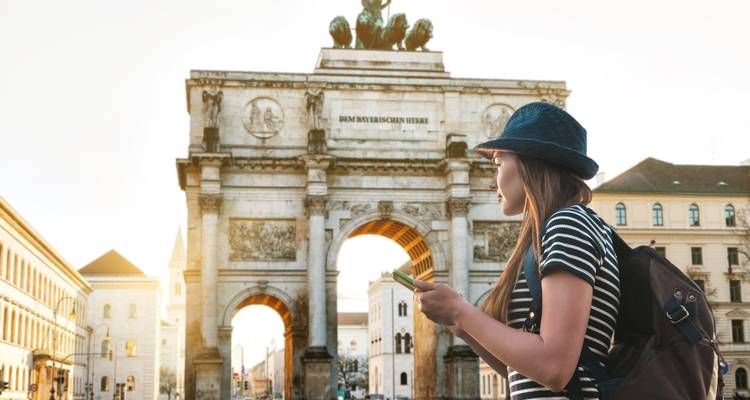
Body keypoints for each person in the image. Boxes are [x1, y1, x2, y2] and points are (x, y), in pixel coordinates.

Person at [414, 102, 620, 399]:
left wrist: (463, 311)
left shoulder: (568, 223)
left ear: (529, 164)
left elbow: (554, 368)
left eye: (497, 165)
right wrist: (464, 327)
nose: (490, 182)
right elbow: (524, 373)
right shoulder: (554, 230)